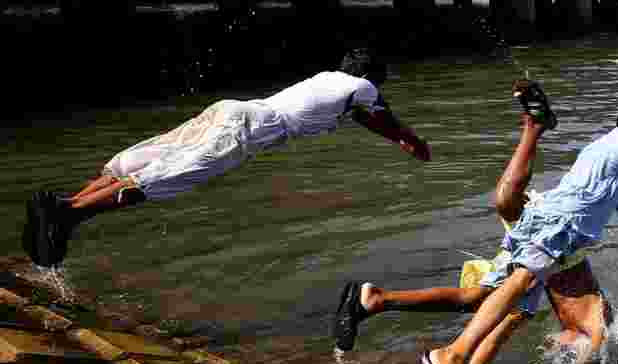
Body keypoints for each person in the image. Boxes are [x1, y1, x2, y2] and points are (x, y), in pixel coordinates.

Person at [332, 80, 610, 364]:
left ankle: (376, 301)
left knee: (477, 297)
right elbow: (501, 334)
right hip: (557, 243)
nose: (556, 345)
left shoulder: (561, 308)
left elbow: (498, 332)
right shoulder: (592, 328)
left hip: (551, 252)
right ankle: (534, 128)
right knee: (494, 256)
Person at [23, 48, 431, 268]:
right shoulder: (363, 85)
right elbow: (383, 117)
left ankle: (64, 206)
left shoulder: (328, 81)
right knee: (162, 180)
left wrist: (392, 139)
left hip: (231, 109)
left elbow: (362, 117)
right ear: (370, 76)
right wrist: (410, 142)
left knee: (143, 161)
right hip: (244, 131)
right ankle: (67, 216)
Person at [421, 92, 618, 364]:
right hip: (561, 225)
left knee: (513, 302)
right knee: (518, 287)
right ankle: (450, 356)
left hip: (544, 216)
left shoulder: (600, 145)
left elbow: (609, 194)